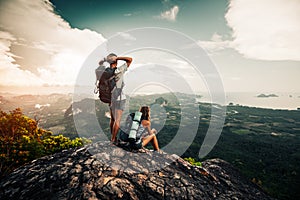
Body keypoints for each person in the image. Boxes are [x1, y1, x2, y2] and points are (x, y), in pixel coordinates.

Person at [99, 53, 132, 144]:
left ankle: (112, 138)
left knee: (112, 119)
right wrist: (117, 58)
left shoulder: (105, 72)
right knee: (117, 120)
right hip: (119, 98)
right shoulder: (118, 70)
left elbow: (100, 63)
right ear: (115, 61)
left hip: (110, 99)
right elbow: (130, 59)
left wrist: (106, 59)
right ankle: (113, 140)